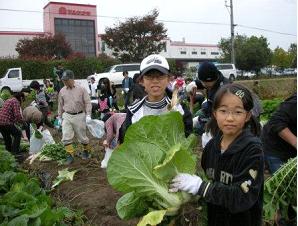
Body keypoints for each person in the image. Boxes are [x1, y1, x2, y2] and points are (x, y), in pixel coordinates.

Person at [170, 83, 264, 226]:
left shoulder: (252, 150)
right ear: (214, 113)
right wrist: (187, 187)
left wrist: (200, 187)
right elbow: (211, 180)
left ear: (247, 116)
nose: (230, 118)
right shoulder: (211, 147)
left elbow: (242, 196)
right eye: (223, 111)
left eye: (238, 112)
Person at [119, 54, 193, 142]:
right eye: (149, 76)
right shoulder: (133, 111)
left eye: (160, 76)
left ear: (168, 79)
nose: (155, 81)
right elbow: (128, 143)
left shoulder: (179, 109)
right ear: (142, 81)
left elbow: (186, 140)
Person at [57, 70, 92, 164]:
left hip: (79, 115)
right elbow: (60, 105)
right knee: (66, 135)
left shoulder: (81, 89)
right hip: (67, 115)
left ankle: (86, 151)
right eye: (63, 80)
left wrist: (88, 114)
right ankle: (70, 155)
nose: (64, 82)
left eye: (66, 80)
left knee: (82, 137)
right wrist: (59, 117)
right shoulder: (62, 91)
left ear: (72, 79)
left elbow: (87, 102)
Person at [261, 93, 297, 174]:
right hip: (276, 149)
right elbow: (276, 122)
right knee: (284, 181)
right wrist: (296, 143)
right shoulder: (295, 102)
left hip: (291, 149)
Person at [194, 62, 230, 135]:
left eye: (210, 87)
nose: (207, 87)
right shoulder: (216, 79)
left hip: (223, 118)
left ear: (216, 79)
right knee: (200, 111)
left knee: (201, 128)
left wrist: (201, 120)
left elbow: (222, 116)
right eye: (206, 86)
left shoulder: (224, 91)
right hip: (213, 109)